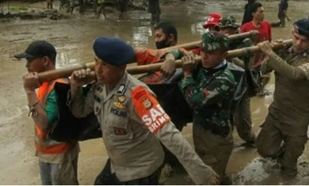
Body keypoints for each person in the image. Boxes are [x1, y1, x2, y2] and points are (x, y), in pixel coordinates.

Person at [69, 36, 219, 185]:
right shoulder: (100, 86)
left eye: (105, 65)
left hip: (141, 169)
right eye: (96, 62)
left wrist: (201, 173)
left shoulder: (139, 96)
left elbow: (169, 134)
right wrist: (75, 87)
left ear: (122, 67)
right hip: (118, 164)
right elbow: (79, 111)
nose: (98, 69)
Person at [256, 19, 309, 177]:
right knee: (264, 149)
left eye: (304, 41)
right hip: (277, 111)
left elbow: (296, 75)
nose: (299, 44)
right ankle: (281, 152)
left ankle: (287, 163)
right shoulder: (284, 50)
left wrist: (271, 54)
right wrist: (274, 52)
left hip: (297, 117)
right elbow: (263, 69)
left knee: (289, 165)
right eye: (296, 37)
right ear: (292, 33)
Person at [15, 41, 79, 185]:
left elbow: (44, 124)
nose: (27, 66)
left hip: (59, 154)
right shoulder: (46, 81)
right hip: (46, 152)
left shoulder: (59, 87)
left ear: (45, 61)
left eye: (30, 60)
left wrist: (30, 92)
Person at [178, 31, 236, 184]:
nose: (204, 56)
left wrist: (187, 74)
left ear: (224, 55)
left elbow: (195, 102)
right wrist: (171, 58)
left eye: (211, 53)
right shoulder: (205, 65)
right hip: (202, 130)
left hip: (216, 139)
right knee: (206, 169)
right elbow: (176, 50)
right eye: (202, 50)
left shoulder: (224, 79)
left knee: (210, 179)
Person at [219, 16, 256, 146]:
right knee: (225, 119)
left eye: (227, 29)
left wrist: (228, 55)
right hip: (224, 86)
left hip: (242, 86)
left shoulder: (245, 43)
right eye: (222, 29)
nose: (224, 32)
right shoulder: (219, 42)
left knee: (244, 127)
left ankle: (253, 140)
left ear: (235, 30)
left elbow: (245, 67)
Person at [241, 2, 272, 95]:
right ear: (253, 14)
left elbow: (270, 41)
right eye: (260, 12)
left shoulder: (267, 25)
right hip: (252, 59)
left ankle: (261, 91)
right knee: (252, 84)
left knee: (266, 77)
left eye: (263, 11)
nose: (263, 14)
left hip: (264, 58)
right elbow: (240, 45)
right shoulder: (245, 27)